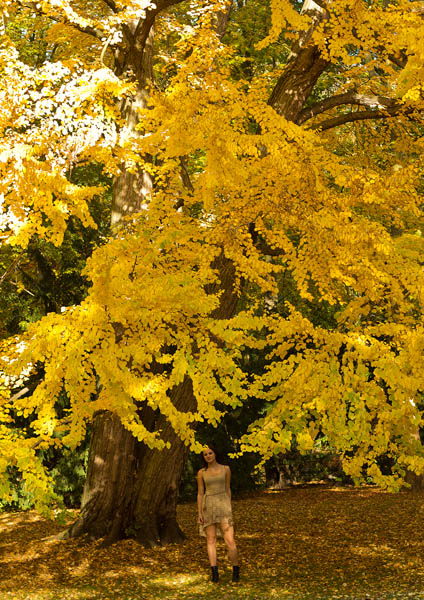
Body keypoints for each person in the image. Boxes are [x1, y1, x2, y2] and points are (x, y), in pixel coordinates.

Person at [197, 445, 240, 583]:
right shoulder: (201, 472)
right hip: (208, 505)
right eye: (205, 454)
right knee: (211, 539)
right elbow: (200, 493)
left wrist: (229, 507)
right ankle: (214, 573)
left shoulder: (225, 469)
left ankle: (235, 570)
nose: (208, 456)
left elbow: (228, 489)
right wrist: (199, 512)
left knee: (229, 540)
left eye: (210, 453)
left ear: (215, 454)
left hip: (223, 505)